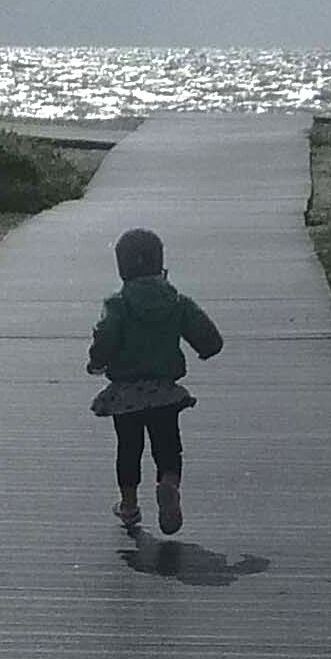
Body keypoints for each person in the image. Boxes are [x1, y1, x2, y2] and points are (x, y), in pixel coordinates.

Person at [87, 227, 223, 535]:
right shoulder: (177, 301)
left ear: (121, 267)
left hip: (126, 394)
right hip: (164, 391)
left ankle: (129, 506)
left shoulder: (117, 305)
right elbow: (210, 340)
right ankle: (168, 484)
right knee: (168, 447)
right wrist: (205, 349)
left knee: (128, 448)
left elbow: (106, 338)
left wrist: (97, 362)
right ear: (160, 263)